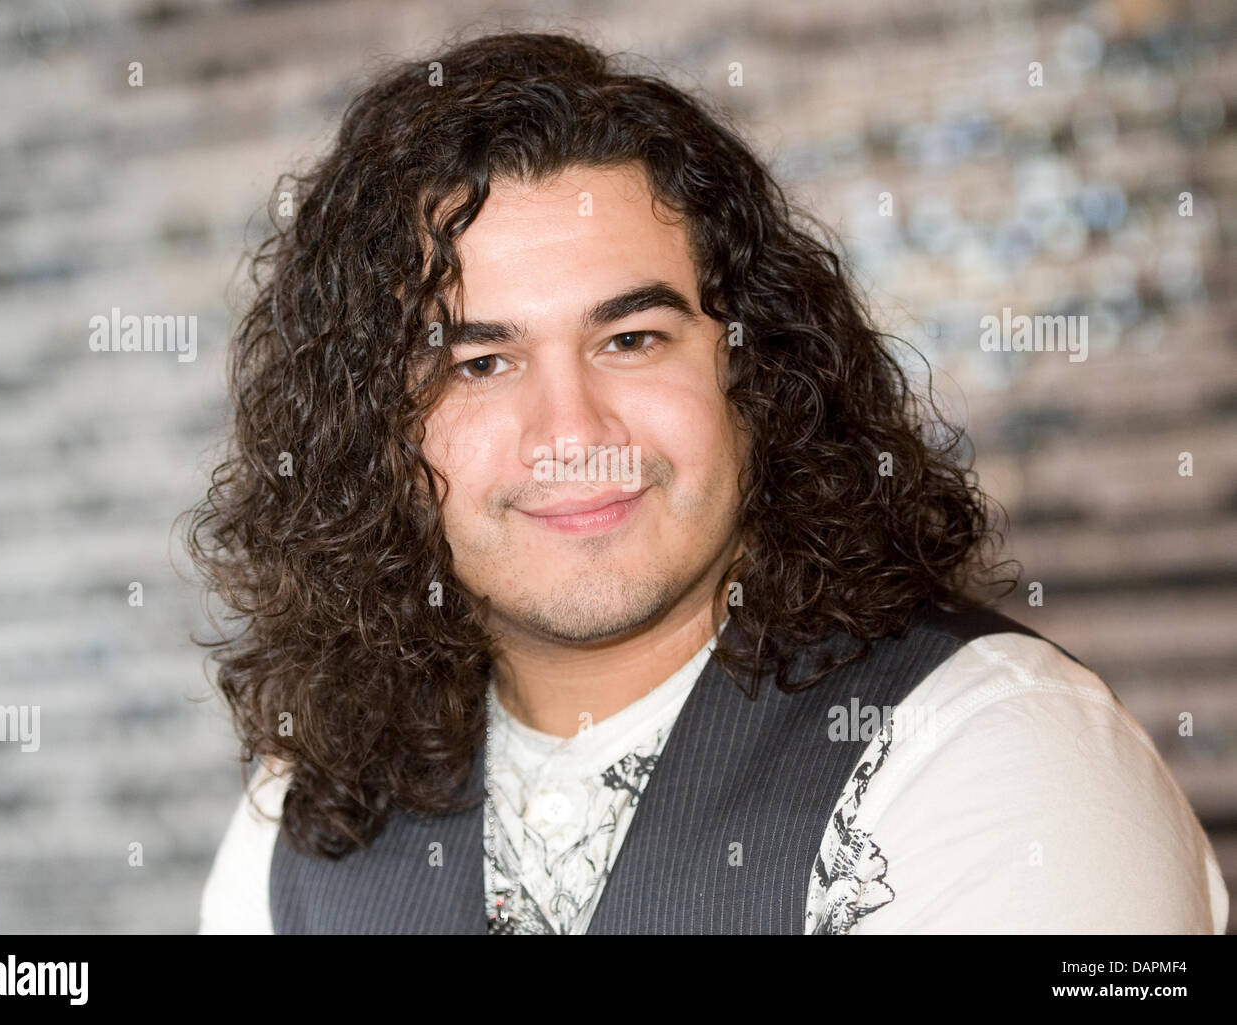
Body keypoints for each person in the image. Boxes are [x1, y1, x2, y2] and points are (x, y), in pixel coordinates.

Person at [188, 30, 1228, 934]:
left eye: (632, 337)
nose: (572, 432)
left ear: (752, 369)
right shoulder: (301, 817)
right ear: (367, 426)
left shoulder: (998, 760)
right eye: (479, 363)